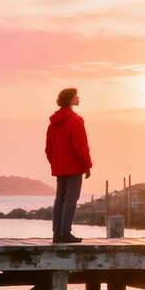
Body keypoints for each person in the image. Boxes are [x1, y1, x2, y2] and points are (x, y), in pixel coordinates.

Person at [45, 87, 92, 244]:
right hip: (74, 167)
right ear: (70, 99)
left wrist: (56, 162)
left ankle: (57, 233)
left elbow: (48, 149)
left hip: (59, 167)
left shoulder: (53, 124)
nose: (79, 98)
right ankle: (65, 233)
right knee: (70, 200)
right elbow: (80, 147)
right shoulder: (75, 121)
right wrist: (87, 165)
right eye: (76, 96)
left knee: (60, 199)